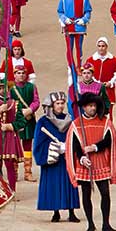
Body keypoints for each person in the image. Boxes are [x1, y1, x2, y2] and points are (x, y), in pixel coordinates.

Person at [65, 93, 116, 231]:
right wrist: (82, 158)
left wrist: (95, 147)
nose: (93, 108)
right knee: (86, 194)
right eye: (90, 106)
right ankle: (90, 224)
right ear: (84, 107)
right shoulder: (76, 124)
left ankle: (106, 224)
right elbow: (74, 145)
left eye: (94, 106)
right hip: (85, 163)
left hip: (100, 161)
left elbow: (109, 140)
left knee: (105, 193)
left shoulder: (105, 122)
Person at [33, 91, 80, 222]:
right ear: (51, 105)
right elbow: (39, 142)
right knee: (53, 184)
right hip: (52, 159)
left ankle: (71, 211)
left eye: (62, 103)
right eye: (57, 103)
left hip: (66, 158)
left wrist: (68, 146)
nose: (60, 106)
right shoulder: (43, 122)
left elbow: (75, 138)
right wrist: (54, 148)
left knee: (69, 184)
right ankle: (56, 211)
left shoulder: (69, 120)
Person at [11, 65, 39, 182]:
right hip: (16, 120)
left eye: (23, 73)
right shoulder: (10, 88)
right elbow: (8, 102)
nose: (21, 75)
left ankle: (28, 171)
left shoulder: (31, 87)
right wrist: (19, 112)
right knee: (15, 146)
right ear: (14, 75)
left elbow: (36, 101)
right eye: (18, 73)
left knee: (27, 146)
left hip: (29, 119)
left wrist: (30, 110)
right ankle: (15, 172)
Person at [57, 0, 92, 70]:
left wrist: (84, 20)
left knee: (79, 47)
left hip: (79, 26)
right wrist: (64, 19)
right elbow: (60, 11)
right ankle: (71, 66)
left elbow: (88, 11)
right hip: (68, 27)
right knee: (69, 48)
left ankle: (79, 66)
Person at [85, 37, 116, 118]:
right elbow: (88, 74)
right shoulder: (91, 60)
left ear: (106, 47)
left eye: (103, 46)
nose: (101, 48)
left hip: (108, 90)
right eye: (99, 46)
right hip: (95, 89)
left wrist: (110, 83)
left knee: (108, 113)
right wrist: (96, 83)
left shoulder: (114, 60)